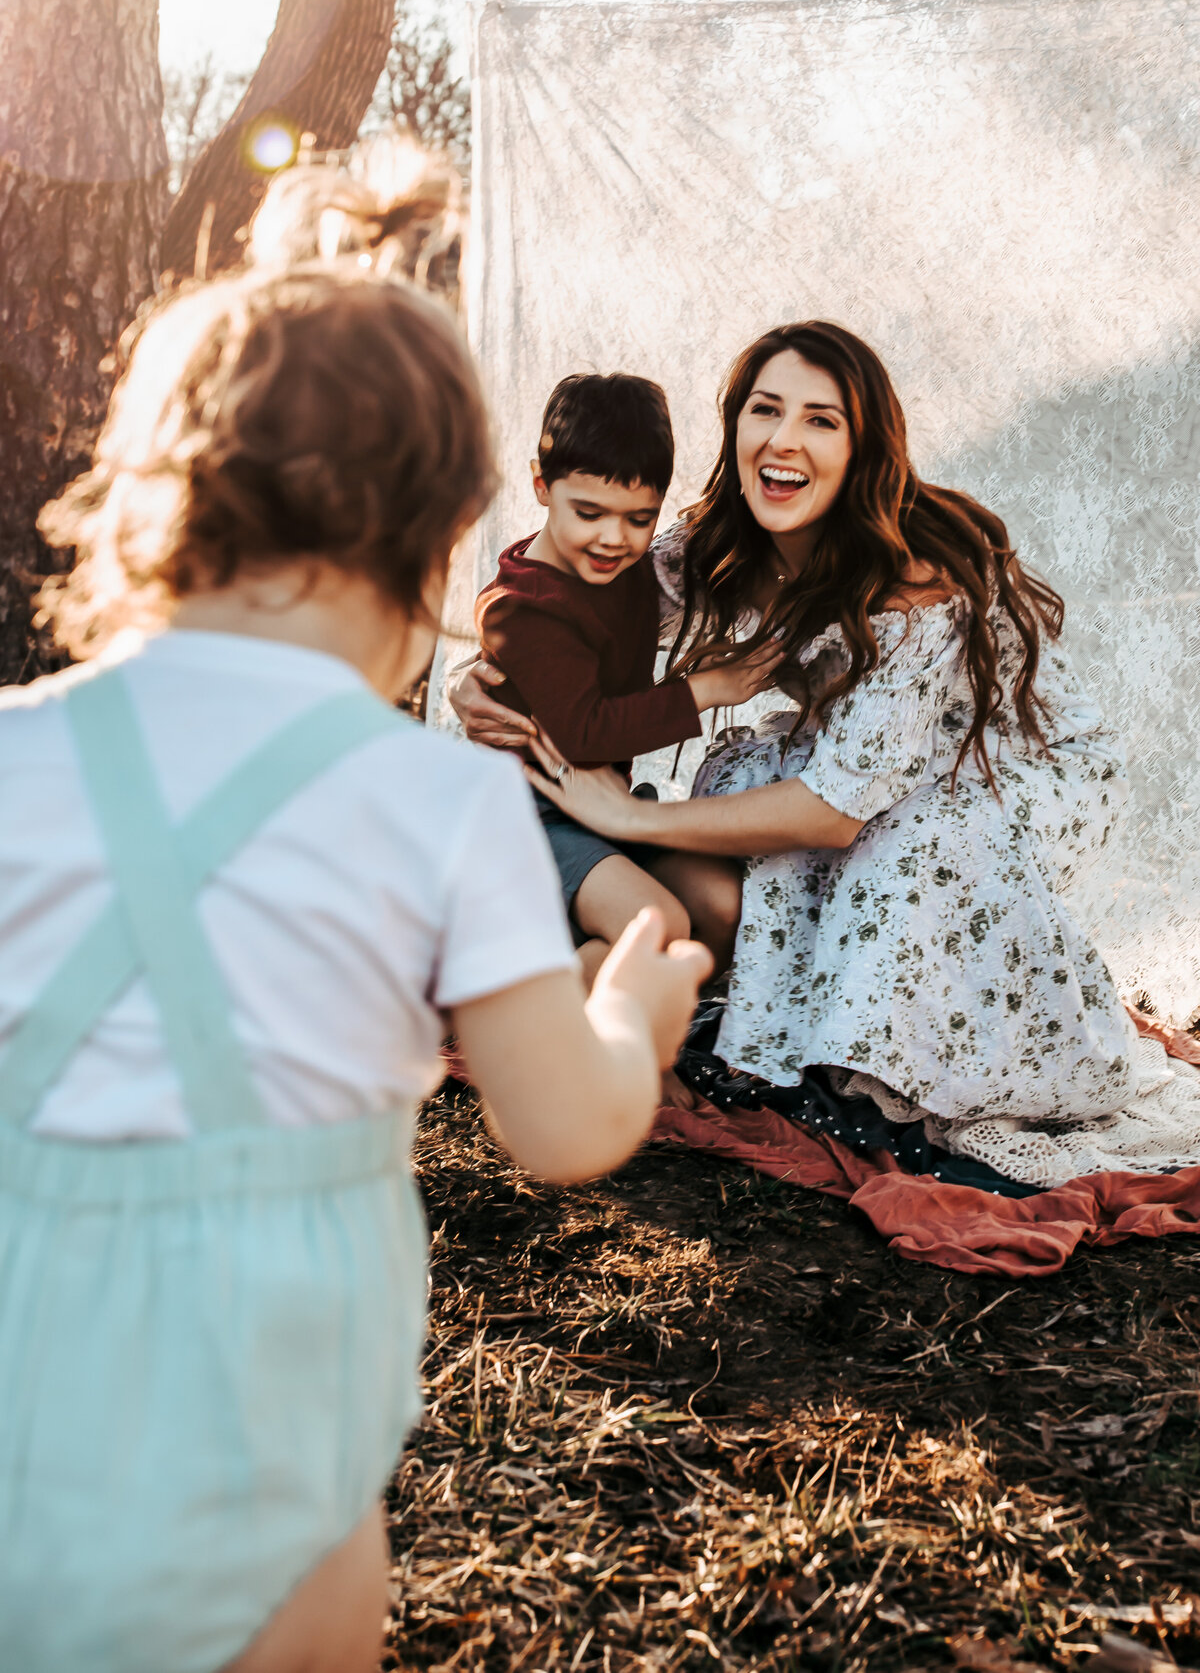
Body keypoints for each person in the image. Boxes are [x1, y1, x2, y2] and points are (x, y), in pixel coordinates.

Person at [0, 263, 710, 1673]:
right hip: (274, 1355)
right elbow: (560, 1126)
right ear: (441, 534)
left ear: (159, 492)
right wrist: (629, 1015)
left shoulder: (15, 749)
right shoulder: (439, 803)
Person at [454, 320, 1200, 1190]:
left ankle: (903, 1044)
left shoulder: (917, 579)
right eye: (765, 409)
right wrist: (488, 671)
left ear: (863, 446)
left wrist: (624, 813)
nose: (785, 439)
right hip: (858, 758)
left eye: (822, 420)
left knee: (901, 841)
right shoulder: (718, 540)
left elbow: (835, 812)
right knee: (737, 814)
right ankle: (660, 992)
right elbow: (574, 596)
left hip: (1004, 769)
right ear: (733, 427)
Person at [475, 371, 777, 983]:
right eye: (588, 512)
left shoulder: (635, 568)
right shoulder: (522, 606)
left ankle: (597, 998)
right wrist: (705, 689)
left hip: (604, 810)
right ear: (541, 485)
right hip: (528, 822)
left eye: (639, 518)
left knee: (720, 904)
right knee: (656, 921)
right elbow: (583, 732)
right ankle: (564, 1031)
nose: (613, 538)